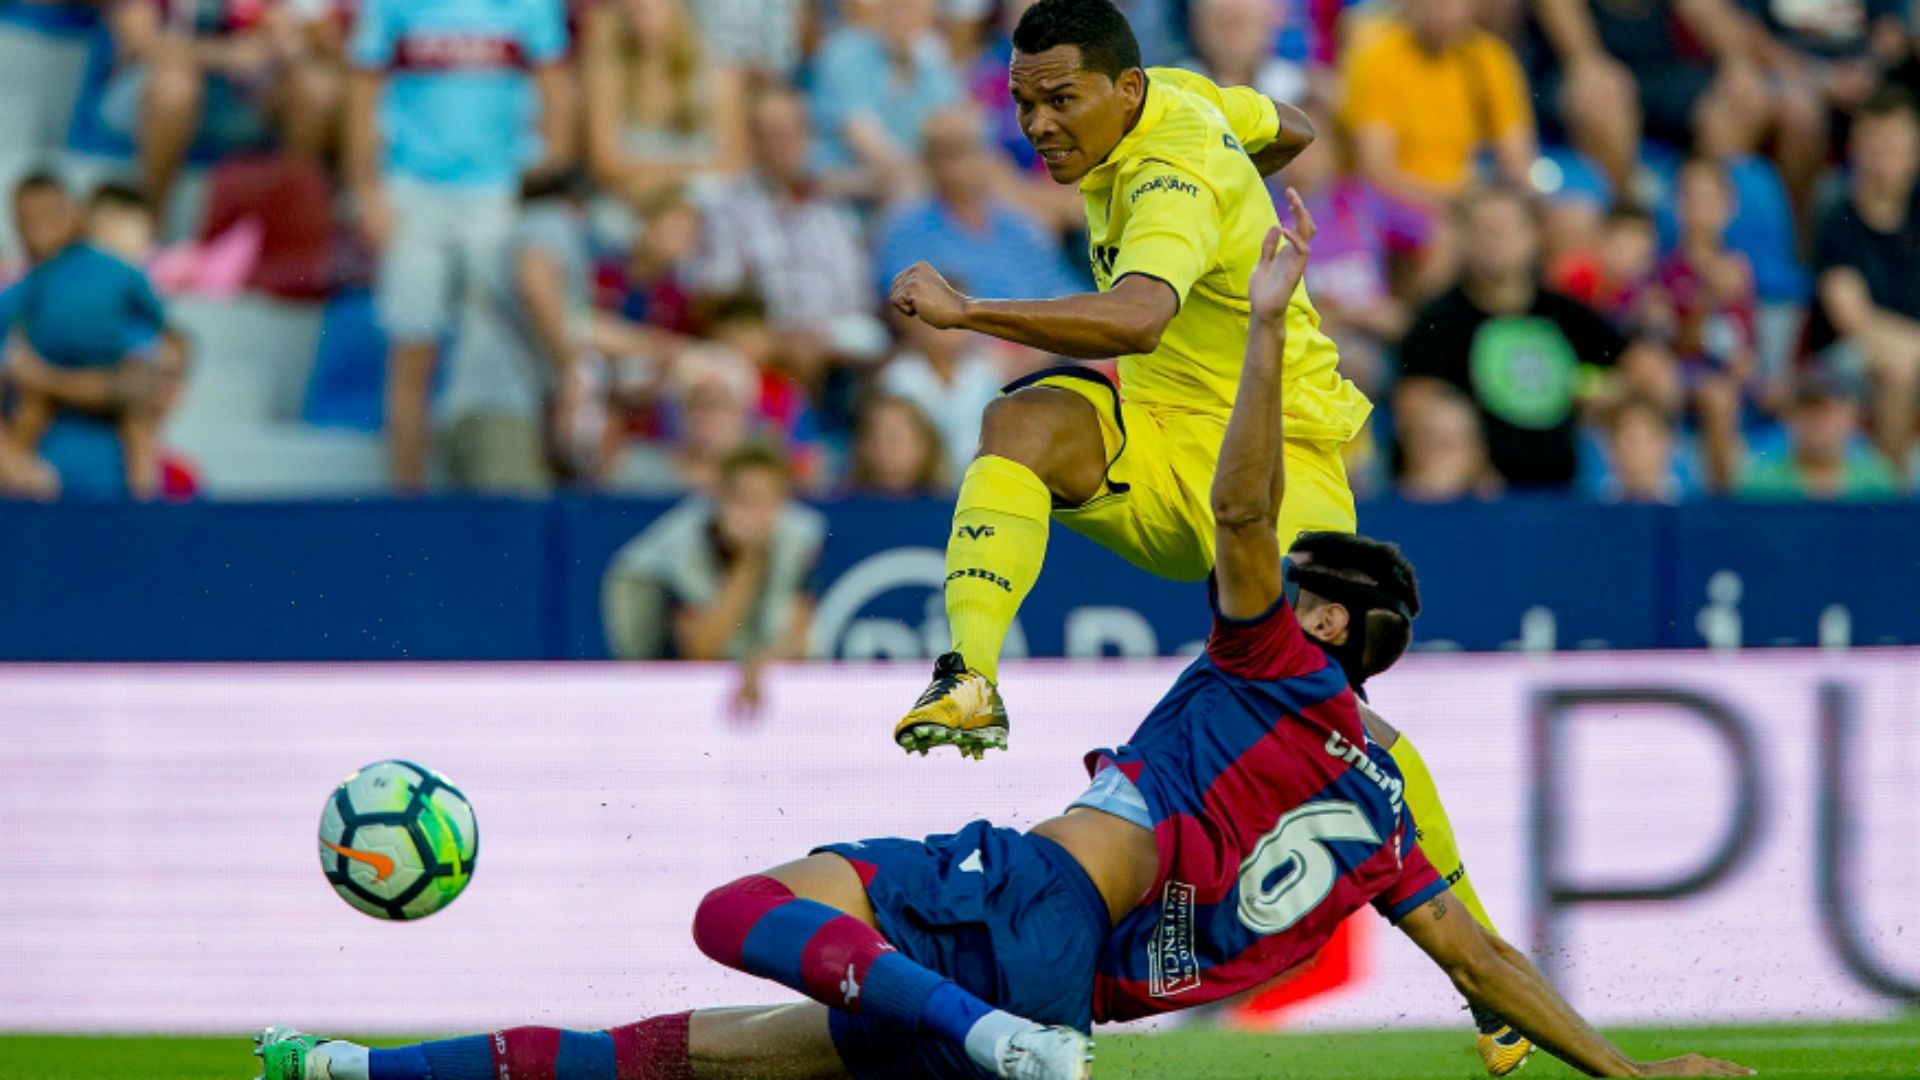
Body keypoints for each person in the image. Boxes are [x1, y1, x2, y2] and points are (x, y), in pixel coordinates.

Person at [254, 209, 1753, 1080]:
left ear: (1320, 622)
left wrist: (1268, 328)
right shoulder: (1383, 795)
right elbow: (1483, 957)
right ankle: (360, 1068)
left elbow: (1237, 503)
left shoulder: (1271, 663)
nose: (1268, 572)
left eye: (1296, 579)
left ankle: (982, 1042)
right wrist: (1623, 1075)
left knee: (734, 913)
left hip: (1033, 902)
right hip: (1075, 980)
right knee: (702, 1054)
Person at [885, 0, 1323, 755]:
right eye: (1024, 102)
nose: (1038, 125)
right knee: (1019, 421)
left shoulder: (1168, 180)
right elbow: (1292, 127)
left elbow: (1137, 319)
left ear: (1124, 91)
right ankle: (969, 682)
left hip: (1278, 461)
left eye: (1061, 101)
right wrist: (1234, 199)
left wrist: (965, 311)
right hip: (1159, 435)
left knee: (1321, 730)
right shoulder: (1179, 94)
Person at [344, 0, 573, 492]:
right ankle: (407, 497)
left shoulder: (531, 8)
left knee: (490, 351)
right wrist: (366, 188)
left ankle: (479, 489)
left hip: (496, 193)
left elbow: (555, 89)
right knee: (412, 348)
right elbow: (362, 92)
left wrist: (542, 168)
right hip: (411, 189)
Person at [1396, 184, 1642, 491]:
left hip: (1568, 485)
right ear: (1465, 240)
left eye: (1506, 227)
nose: (1495, 238)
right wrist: (1477, 469)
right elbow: (1415, 407)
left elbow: (1638, 370)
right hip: (1477, 493)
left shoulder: (1566, 313)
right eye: (1482, 228)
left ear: (1534, 237)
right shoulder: (1439, 320)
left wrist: (1609, 395)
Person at [601, 441, 822, 716]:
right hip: (660, 676)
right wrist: (749, 564)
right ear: (719, 500)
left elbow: (800, 639)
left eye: (766, 500)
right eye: (744, 500)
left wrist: (759, 664)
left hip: (746, 661)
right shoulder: (681, 547)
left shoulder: (798, 535)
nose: (756, 514)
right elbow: (699, 651)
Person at [0, 182, 174, 500]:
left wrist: (47, 381)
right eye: (29, 219)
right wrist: (14, 464)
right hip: (28, 507)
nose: (41, 229)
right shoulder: (15, 301)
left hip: (115, 508)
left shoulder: (117, 284)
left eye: (51, 215)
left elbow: (140, 386)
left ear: (76, 216)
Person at [1810, 86, 1920, 478]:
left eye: (1896, 145)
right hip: (1845, 361)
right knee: (1900, 367)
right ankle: (1893, 498)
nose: (1886, 157)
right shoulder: (1837, 220)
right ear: (1856, 148)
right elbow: (1853, 320)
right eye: (1877, 145)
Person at [1337, 0, 1537, 206]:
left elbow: (1517, 162)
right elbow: (1375, 171)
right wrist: (1451, 205)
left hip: (1468, 203)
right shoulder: (1378, 56)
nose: (1443, 12)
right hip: (1399, 206)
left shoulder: (1490, 59)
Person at [580, 0, 750, 201]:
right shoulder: (609, 81)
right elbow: (606, 165)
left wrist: (663, 177)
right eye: (635, 10)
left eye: (652, 8)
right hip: (637, 203)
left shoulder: (718, 78)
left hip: (704, 204)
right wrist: (687, 172)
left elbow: (735, 162)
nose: (643, 20)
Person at [1738, 373, 1902, 499]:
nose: (1816, 421)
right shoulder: (1762, 485)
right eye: (1807, 411)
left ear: (1851, 419)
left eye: (1826, 411)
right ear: (1790, 418)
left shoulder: (1876, 484)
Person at [845, 393, 949, 497]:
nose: (883, 447)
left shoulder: (951, 507)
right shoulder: (840, 505)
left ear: (925, 445)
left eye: (894, 438)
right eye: (875, 437)